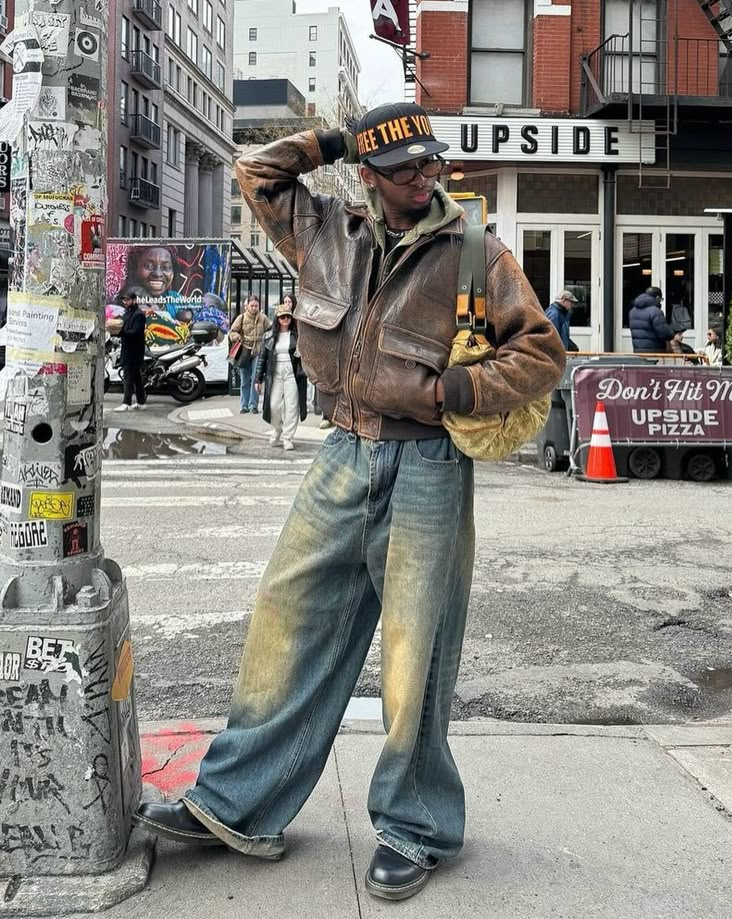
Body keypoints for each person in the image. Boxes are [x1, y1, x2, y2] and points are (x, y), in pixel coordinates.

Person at [134, 102, 565, 901]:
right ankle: (239, 806)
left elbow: (542, 351)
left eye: (429, 163)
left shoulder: (473, 249)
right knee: (285, 621)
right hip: (342, 450)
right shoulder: (323, 228)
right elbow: (255, 171)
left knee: (416, 654)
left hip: (429, 459)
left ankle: (416, 825)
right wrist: (336, 137)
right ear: (368, 175)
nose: (423, 177)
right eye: (404, 168)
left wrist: (456, 388)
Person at [255, 303, 307, 451]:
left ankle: (287, 437)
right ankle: (277, 429)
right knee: (273, 406)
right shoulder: (268, 336)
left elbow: (305, 356)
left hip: (292, 374)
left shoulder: (297, 336)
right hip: (275, 374)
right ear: (277, 318)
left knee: (292, 407)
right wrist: (258, 379)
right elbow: (262, 359)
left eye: (288, 316)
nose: (286, 319)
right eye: (282, 317)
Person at [228, 295, 271, 413]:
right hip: (244, 352)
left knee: (255, 379)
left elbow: (271, 331)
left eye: (256, 306)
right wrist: (237, 337)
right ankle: (244, 405)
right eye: (251, 306)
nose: (253, 308)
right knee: (244, 380)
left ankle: (253, 405)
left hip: (258, 351)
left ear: (259, 306)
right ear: (246, 306)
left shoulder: (263, 318)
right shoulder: (241, 318)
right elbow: (232, 332)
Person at [114, 291, 147, 412]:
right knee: (137, 378)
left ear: (134, 300)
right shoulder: (127, 313)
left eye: (128, 300)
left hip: (134, 351)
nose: (125, 302)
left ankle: (126, 403)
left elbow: (136, 332)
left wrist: (122, 333)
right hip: (127, 349)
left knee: (128, 376)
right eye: (124, 300)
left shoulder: (139, 315)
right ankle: (141, 402)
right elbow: (121, 326)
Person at [629, 286, 674, 353]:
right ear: (657, 298)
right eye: (661, 300)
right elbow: (664, 333)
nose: (661, 302)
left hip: (638, 351)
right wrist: (672, 333)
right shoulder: (655, 311)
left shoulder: (632, 311)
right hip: (655, 351)